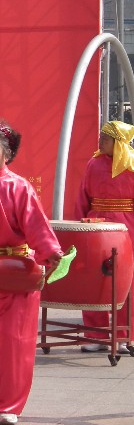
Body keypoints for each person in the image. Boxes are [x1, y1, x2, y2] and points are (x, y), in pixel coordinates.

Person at [0, 119, 63, 425]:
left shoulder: (19, 187)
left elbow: (37, 226)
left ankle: (9, 404)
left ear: (6, 155)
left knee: (14, 341)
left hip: (17, 271)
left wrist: (50, 252)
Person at [74, 120, 134, 351]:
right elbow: (82, 196)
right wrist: (79, 227)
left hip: (127, 226)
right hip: (96, 225)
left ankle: (125, 335)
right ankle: (95, 334)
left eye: (105, 139)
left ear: (117, 142)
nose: (100, 141)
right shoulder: (94, 163)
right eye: (100, 137)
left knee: (126, 281)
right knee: (93, 277)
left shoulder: (132, 164)